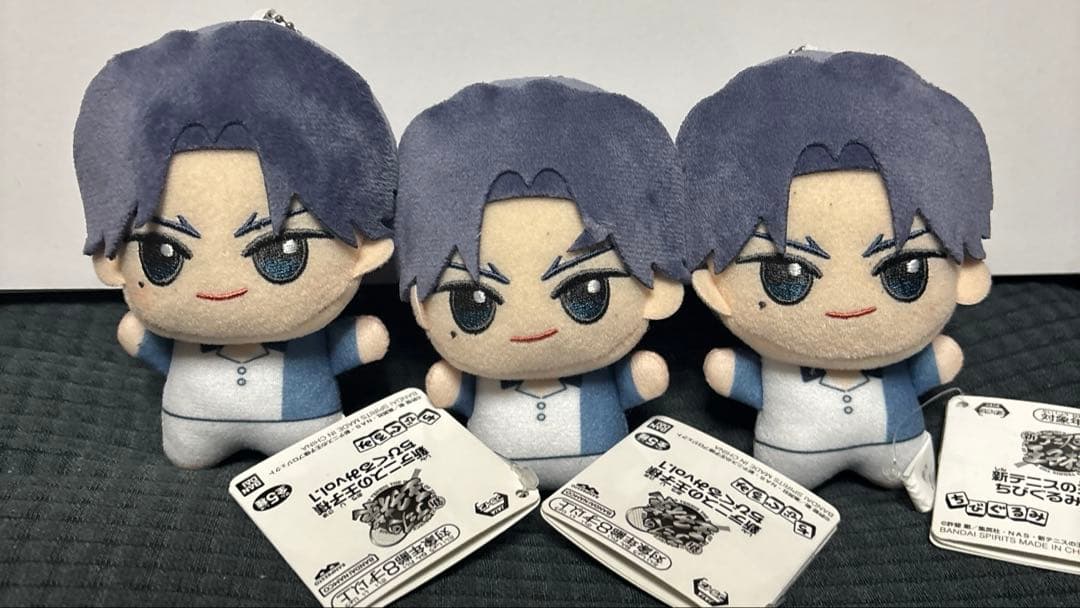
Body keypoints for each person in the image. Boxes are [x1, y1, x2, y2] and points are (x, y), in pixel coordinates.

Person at [73, 19, 397, 468]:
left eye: (280, 254)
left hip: (307, 435)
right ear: (111, 262)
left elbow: (356, 345)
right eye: (164, 255)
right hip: (195, 427)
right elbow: (142, 341)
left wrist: (357, 342)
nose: (221, 285)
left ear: (365, 251)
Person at [678, 50, 993, 511]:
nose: (848, 302)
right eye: (787, 277)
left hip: (898, 454)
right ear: (713, 289)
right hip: (791, 460)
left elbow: (940, 362)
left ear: (966, 278)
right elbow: (730, 375)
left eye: (904, 272)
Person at [395, 77, 688, 488]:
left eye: (585, 293)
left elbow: (640, 382)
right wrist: (452, 391)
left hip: (600, 480)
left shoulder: (599, 374)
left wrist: (639, 380)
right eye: (475, 304)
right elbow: (450, 393)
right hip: (494, 482)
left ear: (658, 291)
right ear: (420, 306)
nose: (530, 324)